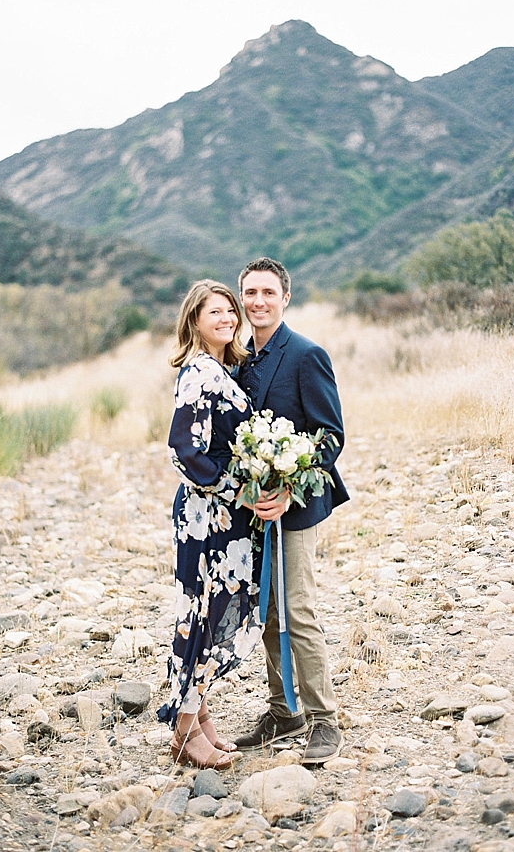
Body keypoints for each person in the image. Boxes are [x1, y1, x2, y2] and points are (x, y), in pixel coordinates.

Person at [233, 257, 349, 765]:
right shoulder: (239, 360)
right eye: (250, 293)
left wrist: (289, 490)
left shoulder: (306, 355)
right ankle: (283, 712)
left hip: (295, 510)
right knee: (266, 614)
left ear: (285, 298)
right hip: (253, 512)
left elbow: (331, 437)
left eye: (267, 292)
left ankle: (325, 721)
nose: (258, 301)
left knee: (298, 611)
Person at [157, 280, 263, 769]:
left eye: (230, 311)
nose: (227, 318)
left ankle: (201, 721)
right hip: (208, 517)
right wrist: (234, 489)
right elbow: (184, 451)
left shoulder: (220, 369)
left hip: (224, 517)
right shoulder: (199, 371)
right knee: (208, 613)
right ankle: (184, 730)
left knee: (210, 611)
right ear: (194, 320)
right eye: (215, 312)